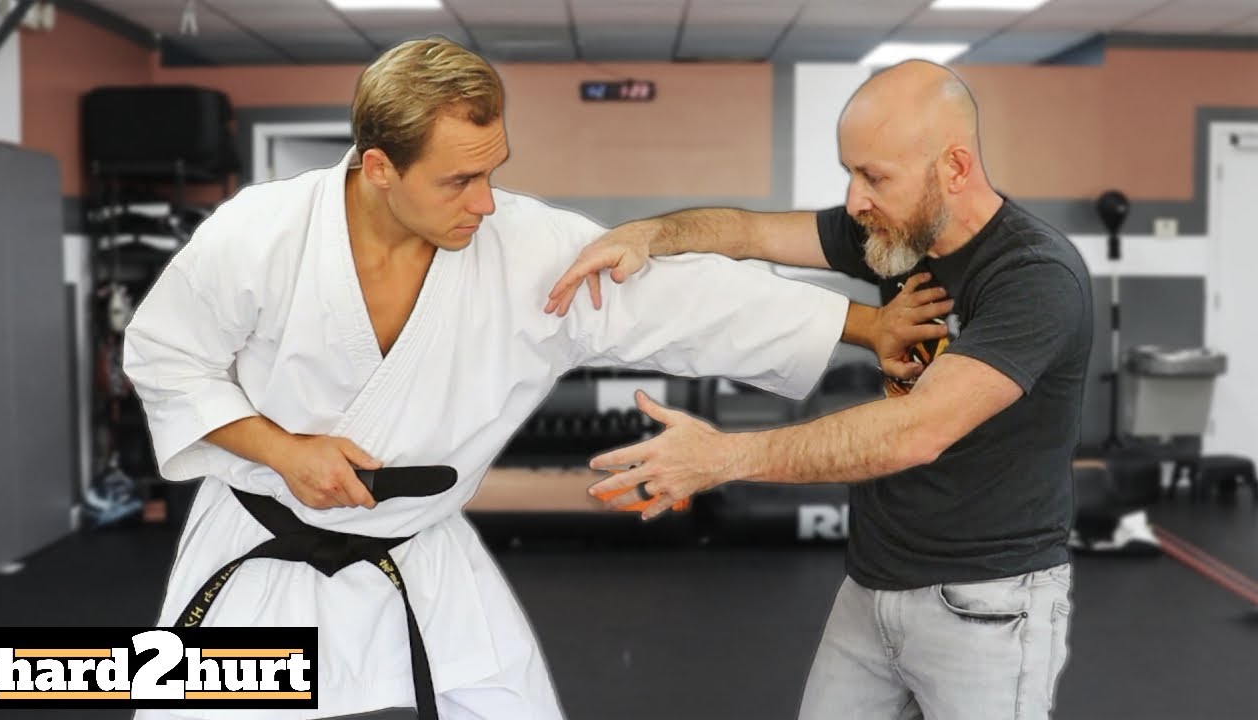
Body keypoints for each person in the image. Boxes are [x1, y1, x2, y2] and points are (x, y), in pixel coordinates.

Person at [122, 38, 950, 720]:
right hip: (257, 543)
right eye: (458, 180)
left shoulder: (525, 250)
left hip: (418, 547)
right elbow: (165, 357)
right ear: (378, 168)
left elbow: (685, 305)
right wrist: (282, 450)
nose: (486, 203)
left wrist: (865, 326)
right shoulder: (259, 234)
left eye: (494, 171)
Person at [546, 59, 1093, 720]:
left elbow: (916, 431)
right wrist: (649, 234)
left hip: (986, 604)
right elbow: (750, 233)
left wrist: (726, 457)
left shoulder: (1034, 276)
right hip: (873, 582)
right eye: (850, 173)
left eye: (874, 177)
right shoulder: (898, 234)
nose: (855, 200)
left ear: (954, 167)